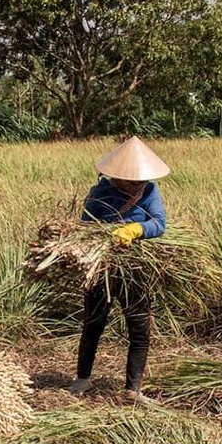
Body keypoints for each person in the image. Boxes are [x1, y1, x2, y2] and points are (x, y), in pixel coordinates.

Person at [67, 136, 170, 405]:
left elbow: (159, 223)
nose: (136, 184)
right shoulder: (99, 193)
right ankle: (83, 378)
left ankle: (132, 389)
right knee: (93, 321)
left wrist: (136, 229)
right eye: (130, 180)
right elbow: (85, 226)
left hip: (136, 266)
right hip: (102, 265)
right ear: (116, 175)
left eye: (139, 180)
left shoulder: (149, 192)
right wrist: (104, 235)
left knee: (138, 327)